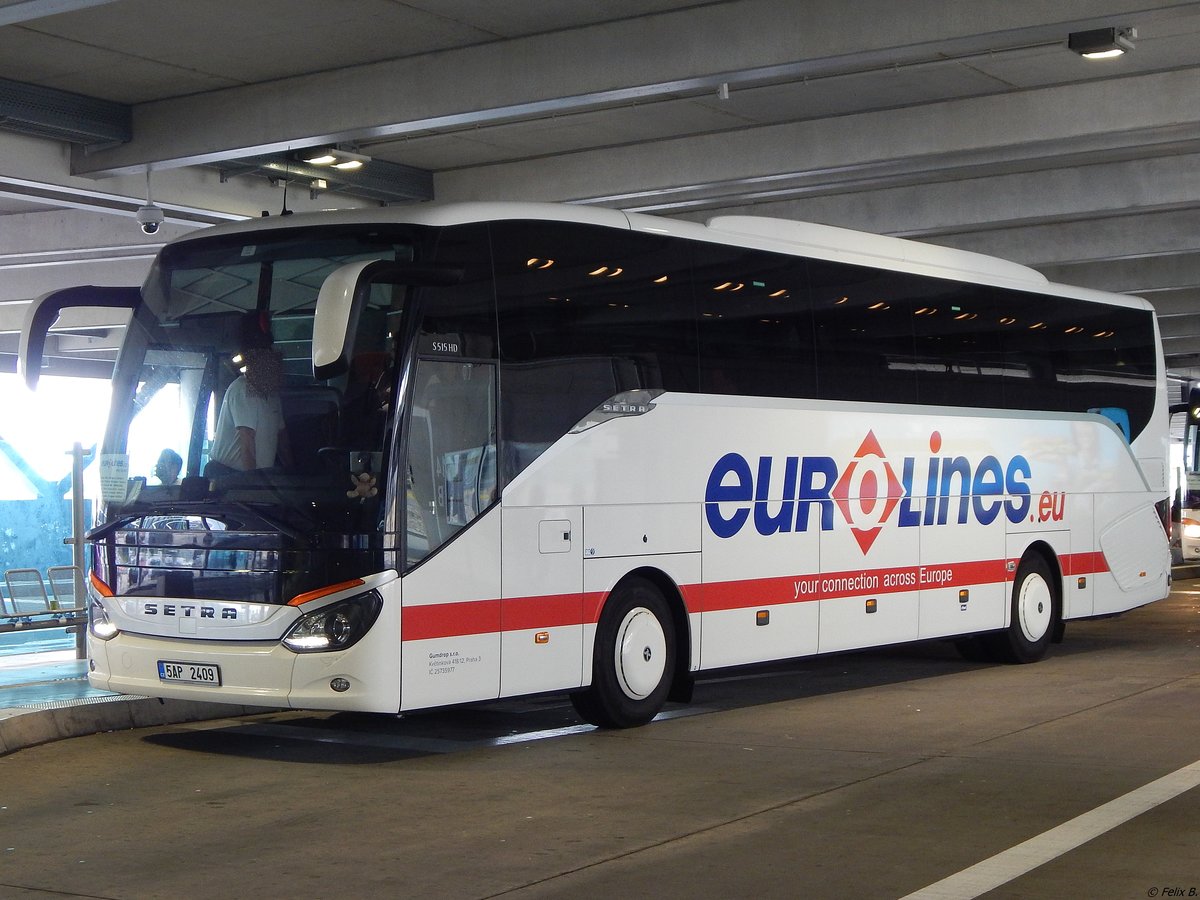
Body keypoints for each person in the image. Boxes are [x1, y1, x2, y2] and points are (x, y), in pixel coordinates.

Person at [207, 321, 293, 473]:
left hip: (259, 476)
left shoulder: (272, 395)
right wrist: (252, 484)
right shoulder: (243, 389)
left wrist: (292, 471)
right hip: (232, 477)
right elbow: (247, 444)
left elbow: (282, 436)